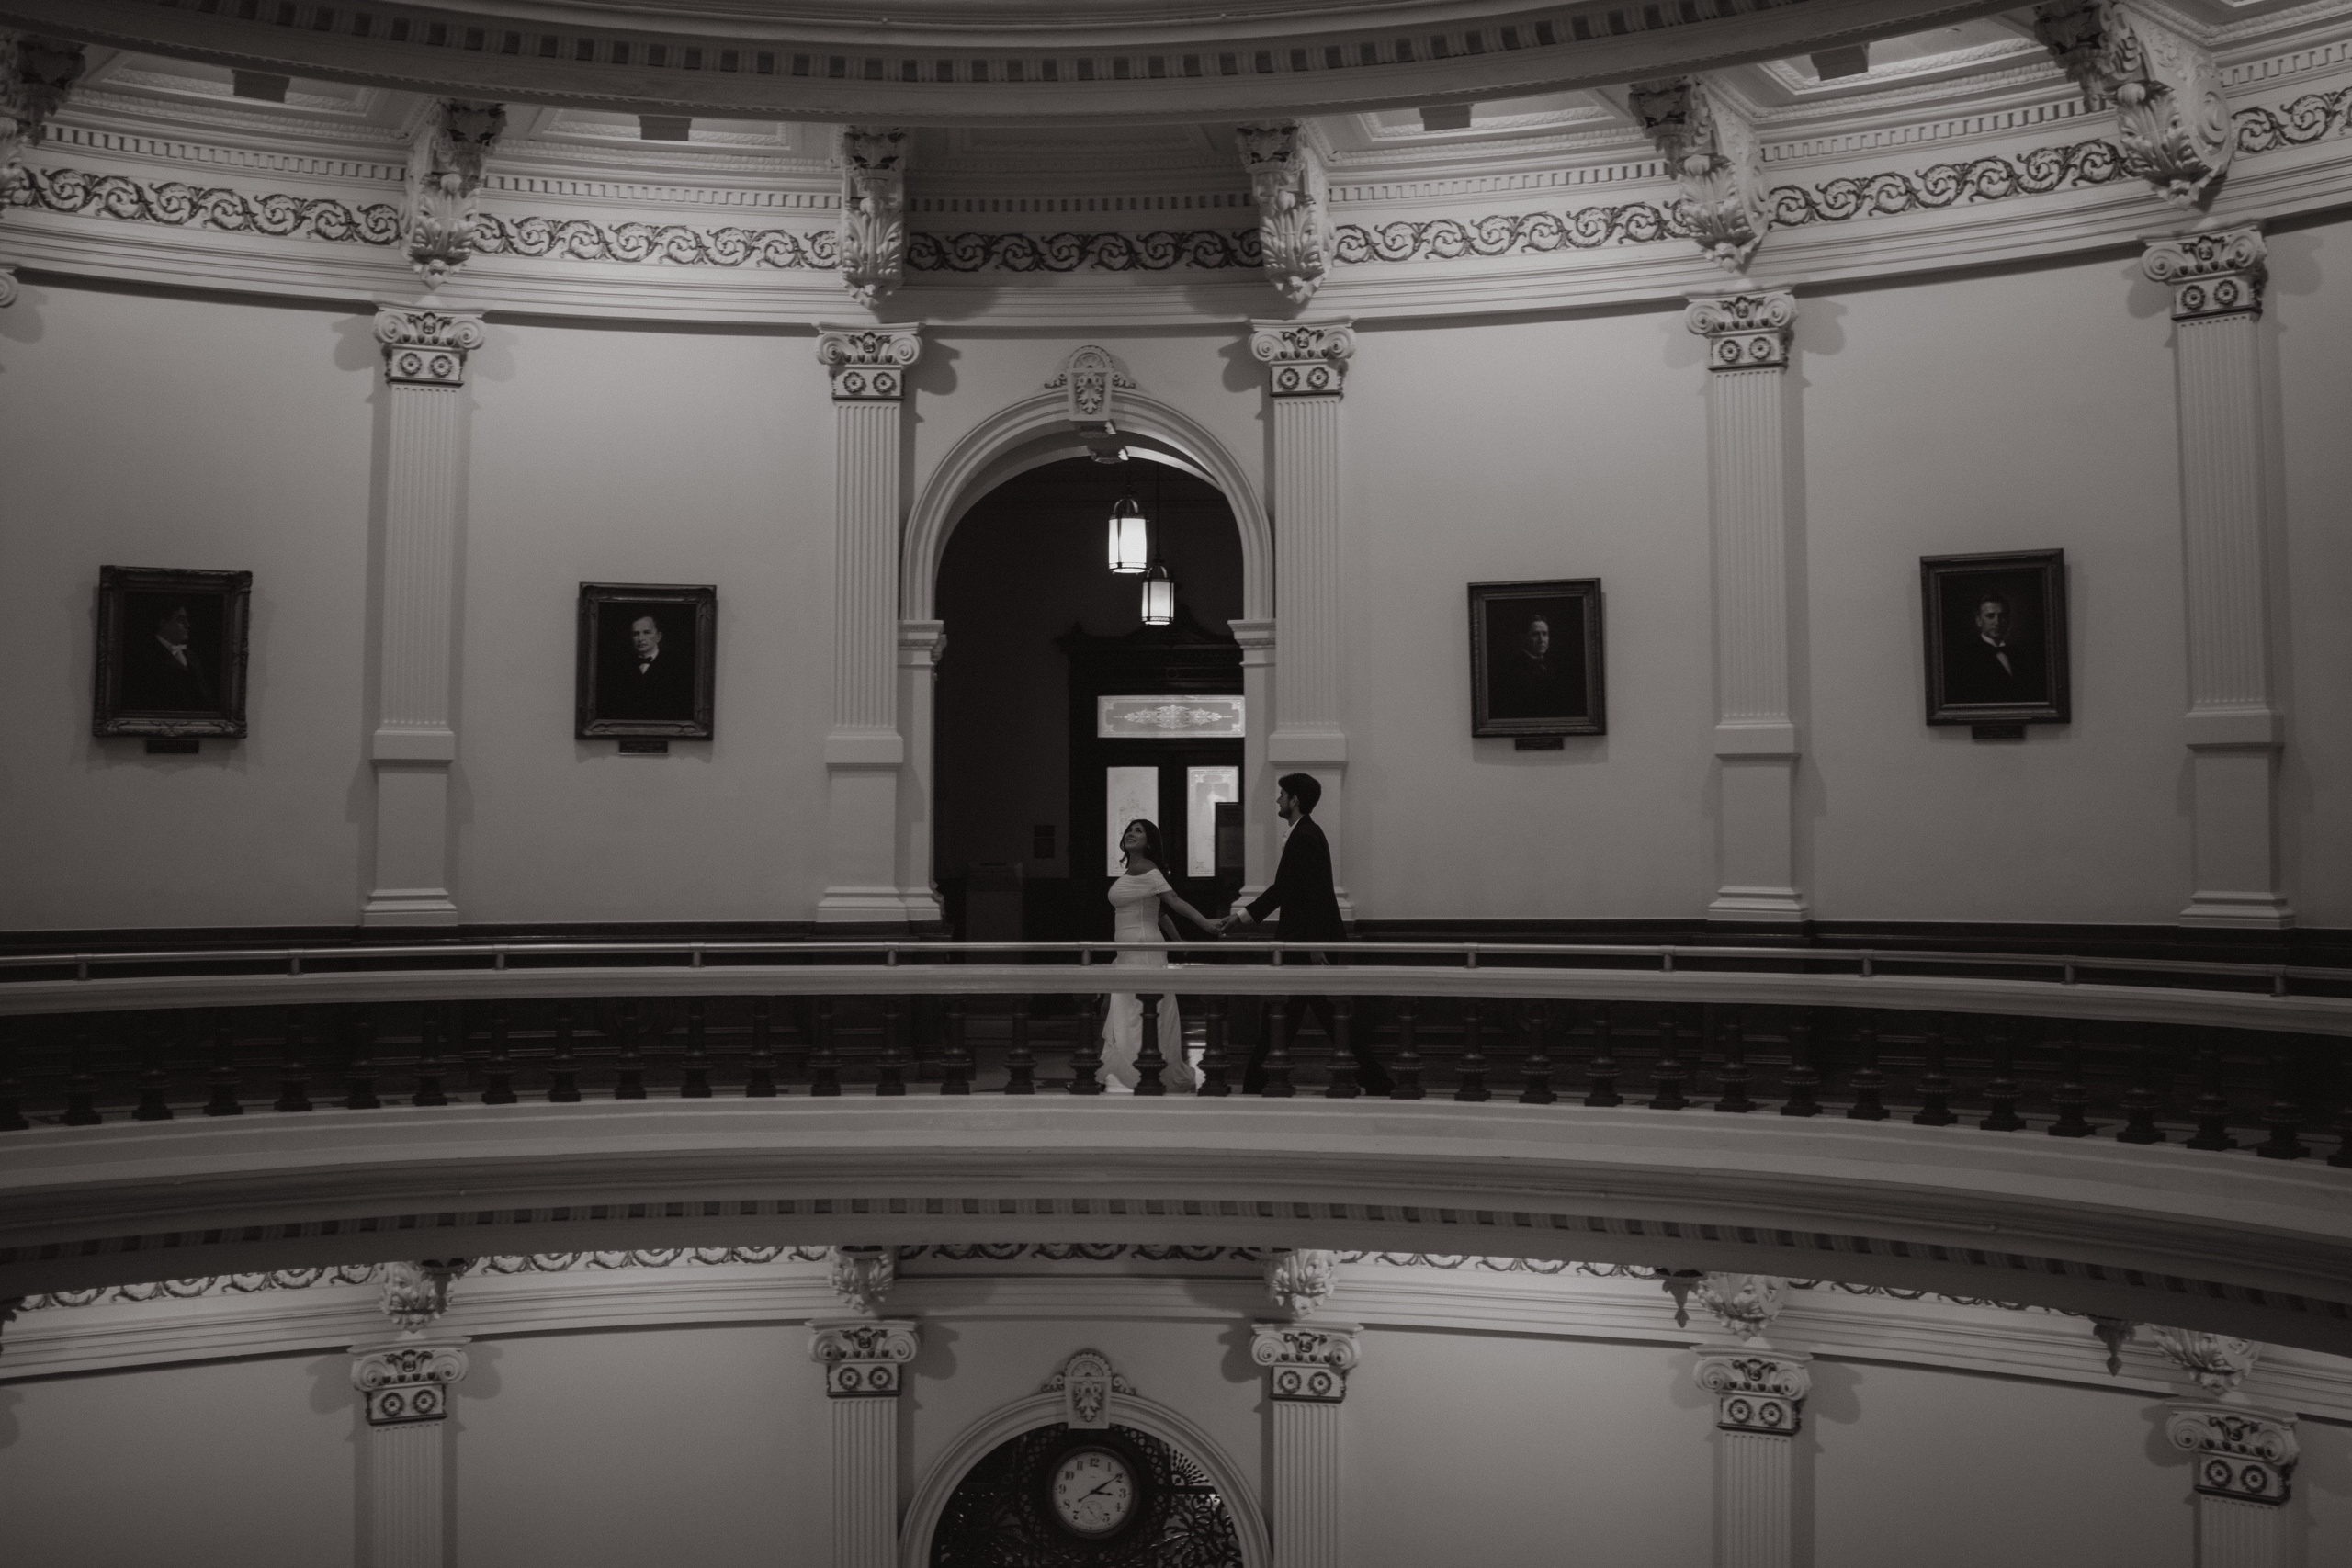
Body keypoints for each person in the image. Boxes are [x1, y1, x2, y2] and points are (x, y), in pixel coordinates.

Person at [1221, 773, 1394, 1095]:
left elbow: (1307, 893)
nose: (1277, 800)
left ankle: (1254, 1084)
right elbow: (1287, 890)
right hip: (1307, 943)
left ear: (1295, 800)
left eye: (1282, 794)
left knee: (1287, 1017)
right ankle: (1377, 1081)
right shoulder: (1306, 833)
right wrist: (1241, 918)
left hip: (1308, 944)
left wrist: (1313, 945)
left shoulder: (1305, 836)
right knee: (1305, 1018)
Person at [1100, 818, 1215, 1092]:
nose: (1131, 833)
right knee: (1122, 1010)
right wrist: (1178, 940)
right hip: (1128, 950)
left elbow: (1174, 902)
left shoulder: (1150, 871)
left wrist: (1207, 925)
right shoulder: (1133, 870)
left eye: (1138, 831)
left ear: (1149, 842)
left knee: (1143, 1011)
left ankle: (1142, 1073)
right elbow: (1161, 914)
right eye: (1129, 829)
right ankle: (1124, 1073)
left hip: (1143, 950)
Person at [1941, 589, 2044, 705]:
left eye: (2002, 616)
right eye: (1990, 616)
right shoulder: (1964, 657)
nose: (1997, 622)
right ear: (1979, 621)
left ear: (2008, 620)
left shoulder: (2019, 655)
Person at [119, 601, 215, 713]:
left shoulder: (191, 656)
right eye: (180, 620)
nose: (188, 625)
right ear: (164, 624)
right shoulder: (145, 657)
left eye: (186, 620)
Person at [1487, 610, 1584, 720]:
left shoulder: (1555, 666)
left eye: (1545, 634)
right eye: (1535, 635)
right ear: (1524, 637)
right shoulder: (1512, 669)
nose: (1541, 640)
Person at [605, 612, 695, 720]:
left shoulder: (677, 667)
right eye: (636, 634)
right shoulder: (619, 668)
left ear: (658, 636)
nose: (640, 638)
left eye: (647, 632)